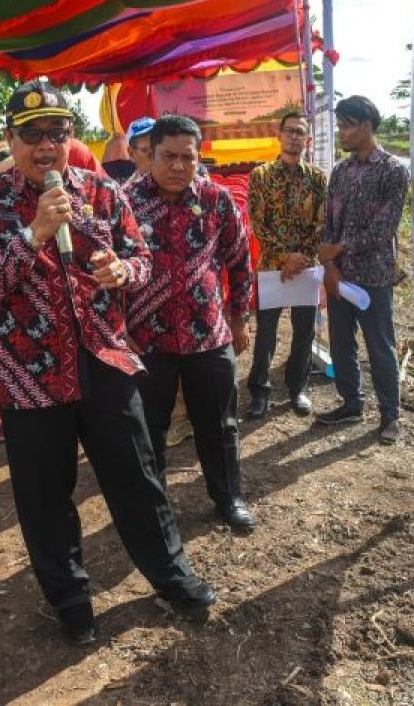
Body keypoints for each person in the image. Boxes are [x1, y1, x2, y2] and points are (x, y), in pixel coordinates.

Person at [0, 81, 216, 645]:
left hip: (104, 357)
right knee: (45, 493)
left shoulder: (103, 191)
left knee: (137, 477)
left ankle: (171, 577)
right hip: (30, 375)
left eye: (57, 133)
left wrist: (125, 273)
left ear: (71, 138)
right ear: (10, 139)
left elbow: (141, 257)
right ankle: (70, 597)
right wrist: (34, 234)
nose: (46, 146)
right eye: (32, 136)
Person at [124, 115, 256, 531]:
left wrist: (240, 320)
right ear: (150, 154)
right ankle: (153, 508)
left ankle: (228, 497)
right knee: (149, 429)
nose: (179, 166)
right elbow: (105, 271)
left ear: (198, 156)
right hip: (147, 339)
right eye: (168, 156)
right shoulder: (125, 202)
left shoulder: (217, 200)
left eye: (188, 157)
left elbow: (240, 262)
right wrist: (118, 332)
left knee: (220, 425)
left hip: (209, 335)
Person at [316, 96, 410, 444]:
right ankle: (351, 403)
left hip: (375, 276)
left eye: (346, 125)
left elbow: (384, 227)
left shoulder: (393, 170)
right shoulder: (341, 171)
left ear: (366, 126)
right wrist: (329, 264)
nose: (341, 132)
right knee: (341, 345)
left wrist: (339, 249)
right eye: (340, 125)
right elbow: (329, 222)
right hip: (340, 274)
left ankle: (390, 416)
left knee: (380, 346)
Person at [245, 112, 327, 420]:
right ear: (279, 136)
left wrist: (300, 258)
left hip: (306, 268)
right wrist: (284, 257)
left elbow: (321, 223)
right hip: (272, 268)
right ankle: (260, 391)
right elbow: (259, 224)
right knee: (266, 332)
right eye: (289, 131)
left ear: (308, 140)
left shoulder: (318, 178)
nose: (294, 137)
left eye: (300, 132)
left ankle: (297, 388)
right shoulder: (261, 175)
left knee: (304, 332)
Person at [123, 116, 156, 185]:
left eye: (158, 148)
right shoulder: (127, 194)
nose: (155, 156)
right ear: (131, 154)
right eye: (146, 150)